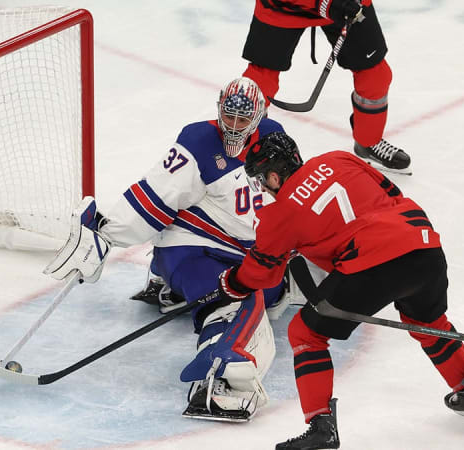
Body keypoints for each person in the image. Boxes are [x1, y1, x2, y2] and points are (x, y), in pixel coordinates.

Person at [44, 77, 301, 422]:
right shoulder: (197, 143)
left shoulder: (273, 136)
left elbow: (291, 193)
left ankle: (174, 288)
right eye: (229, 116)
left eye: (243, 119)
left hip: (244, 250)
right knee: (239, 299)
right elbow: (154, 198)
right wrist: (106, 232)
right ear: (219, 109)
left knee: (274, 288)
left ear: (259, 115)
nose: (235, 126)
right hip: (191, 249)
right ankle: (220, 379)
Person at [216, 132, 464, 449]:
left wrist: (231, 284)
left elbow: (261, 273)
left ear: (274, 175)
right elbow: (391, 191)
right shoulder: (339, 158)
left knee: (305, 334)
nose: (263, 188)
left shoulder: (280, 213)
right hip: (423, 244)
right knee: (429, 323)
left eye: (261, 180)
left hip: (373, 263)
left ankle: (321, 427)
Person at [241, 0, 412, 174]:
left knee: (375, 76)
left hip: (344, 5)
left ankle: (368, 142)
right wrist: (327, 4)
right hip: (284, 8)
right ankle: (245, 148)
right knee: (259, 82)